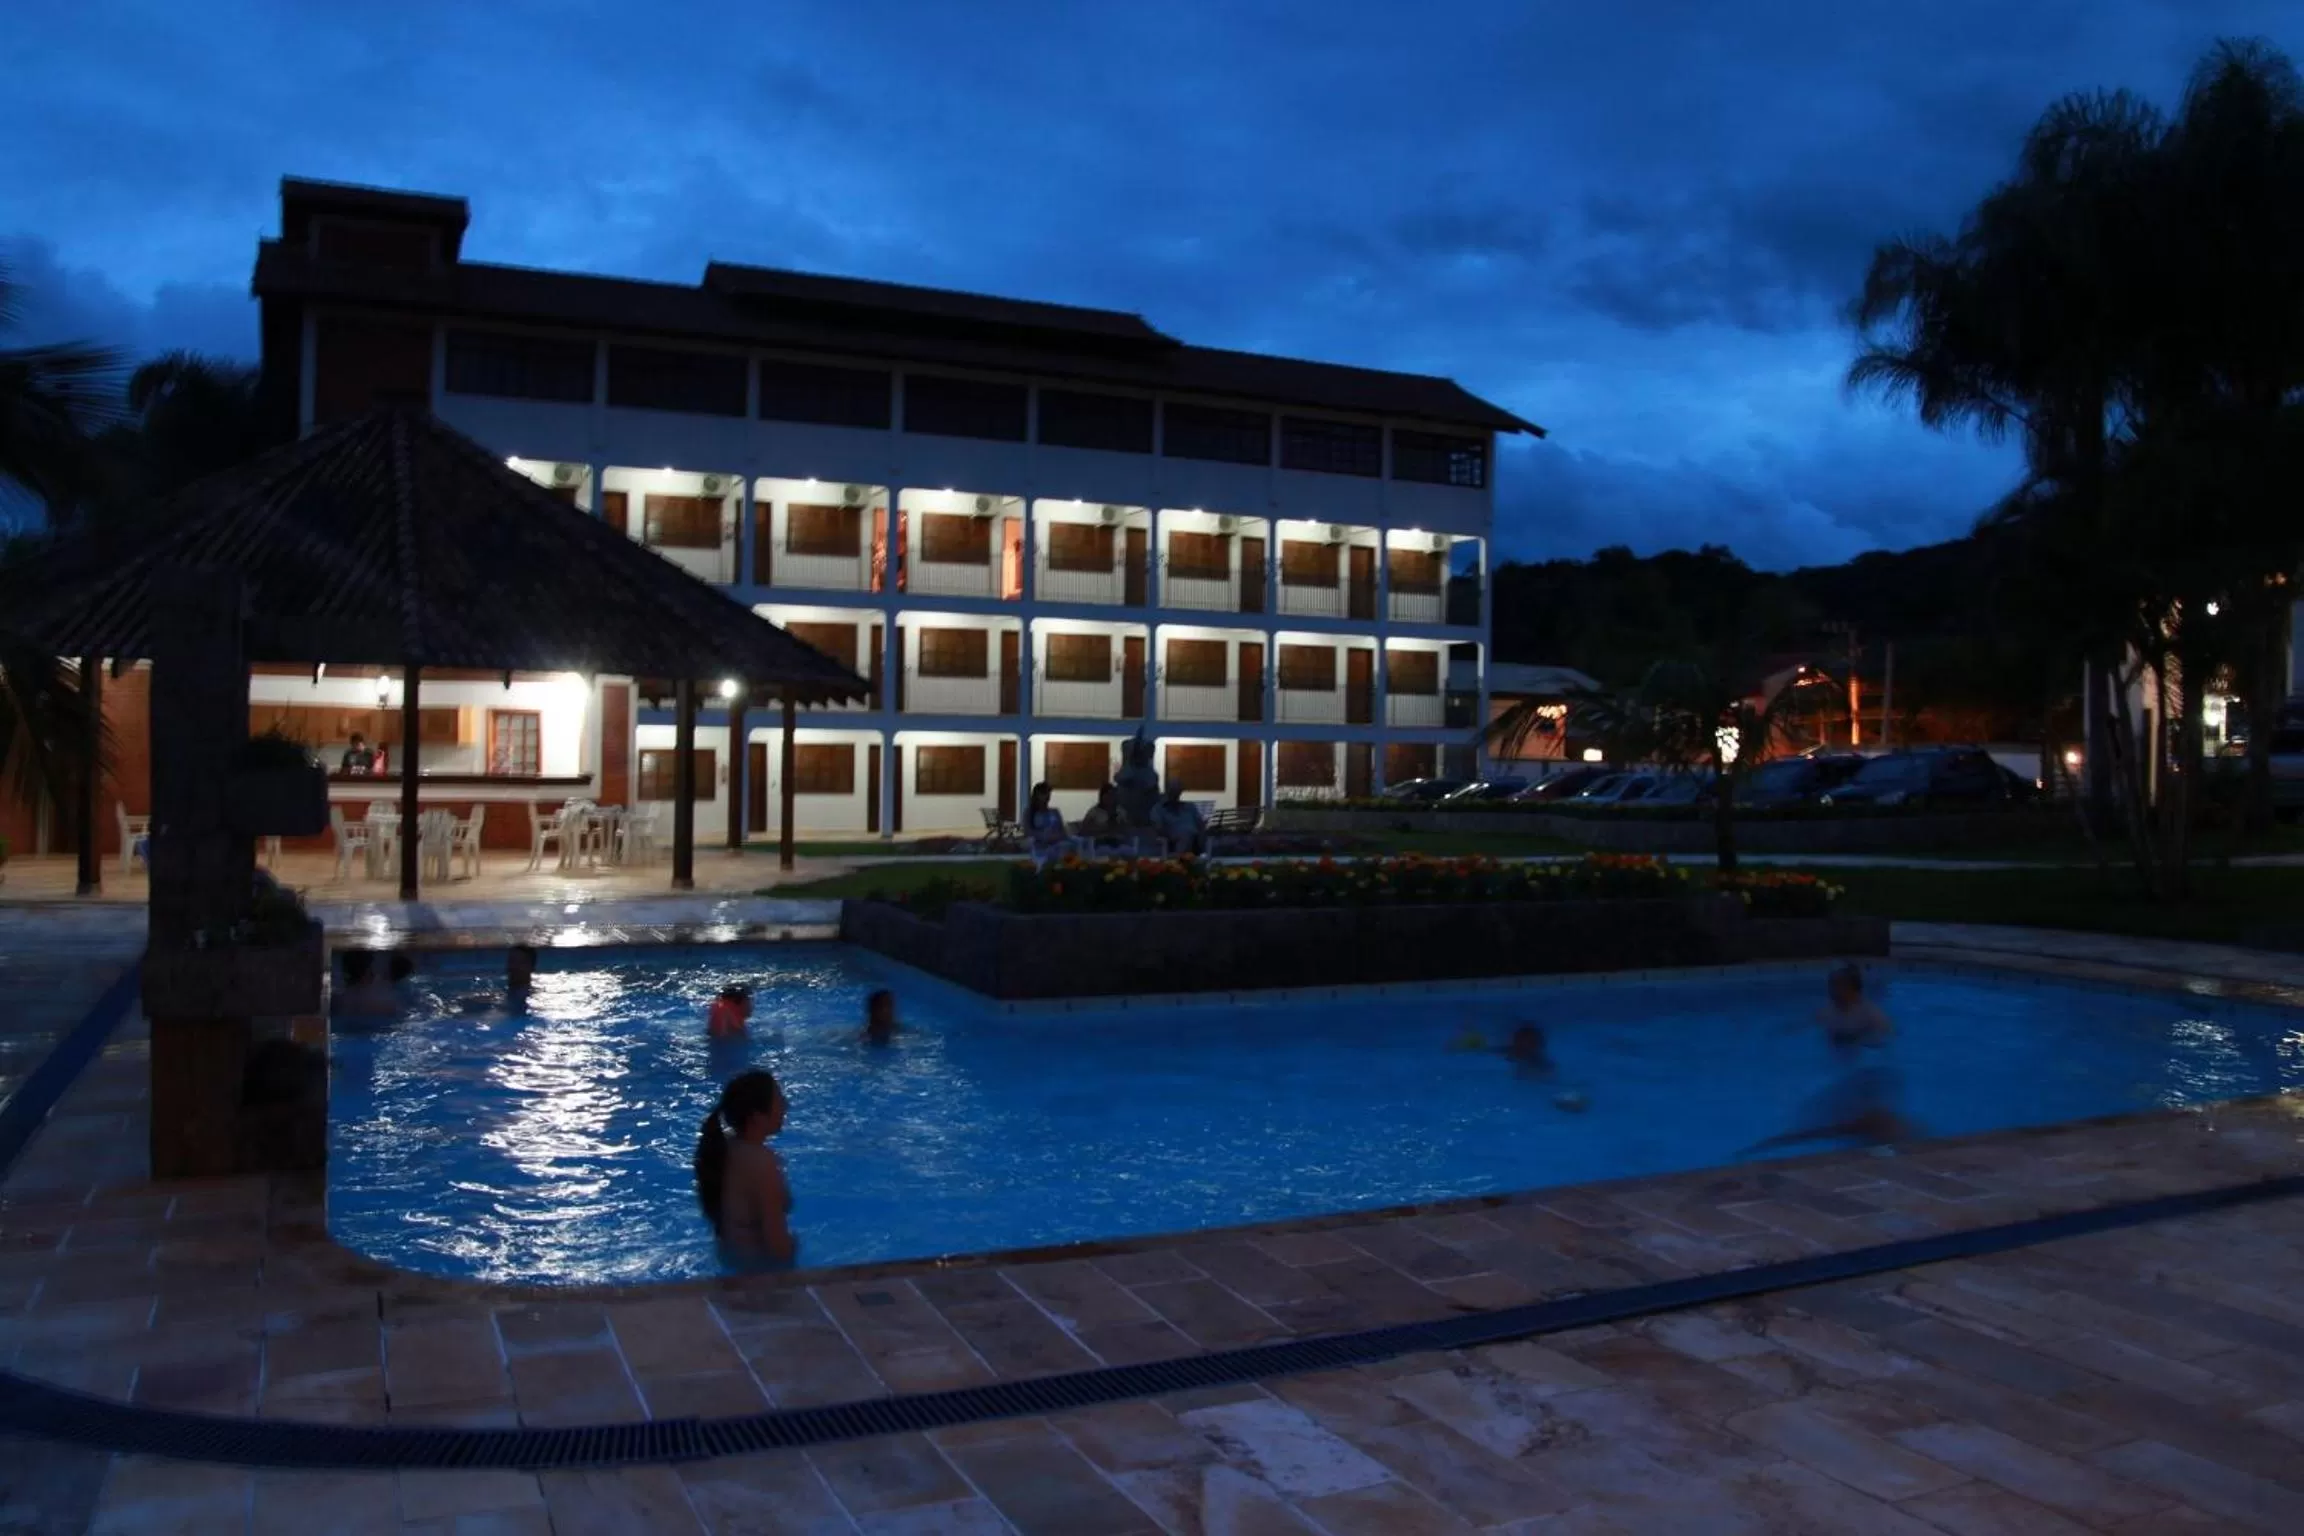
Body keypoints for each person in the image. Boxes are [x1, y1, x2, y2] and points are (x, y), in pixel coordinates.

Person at [1743, 965, 1913, 1155]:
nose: (1833, 991)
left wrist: (1864, 1042)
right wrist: (1780, 1034)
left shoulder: (1872, 1015)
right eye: (1832, 986)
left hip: (1862, 1072)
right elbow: (1803, 1027)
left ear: (1853, 989)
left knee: (1872, 1121)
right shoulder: (1828, 1013)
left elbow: (1887, 1043)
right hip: (1838, 1068)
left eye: (1838, 987)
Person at [693, 1070, 797, 1266]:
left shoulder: (724, 1148)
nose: (785, 1106)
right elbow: (777, 1246)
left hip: (730, 1261)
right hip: (759, 1274)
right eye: (779, 1100)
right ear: (757, 1116)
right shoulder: (763, 1163)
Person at [1151, 781, 1204, 856]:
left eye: (1178, 791)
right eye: (1173, 790)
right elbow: (1158, 827)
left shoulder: (1189, 806)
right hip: (1173, 837)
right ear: (1167, 791)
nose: (1176, 794)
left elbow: (1200, 823)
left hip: (1195, 837)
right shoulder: (1159, 809)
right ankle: (1180, 860)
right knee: (1186, 834)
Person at [1026, 781, 1072, 865]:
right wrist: (1044, 836)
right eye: (1044, 793)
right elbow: (1028, 831)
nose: (1047, 796)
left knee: (1072, 844)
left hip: (1057, 845)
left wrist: (1058, 836)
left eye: (1048, 793)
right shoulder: (1030, 813)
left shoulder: (1055, 812)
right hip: (1039, 848)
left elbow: (1063, 832)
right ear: (1037, 795)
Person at [506, 944, 537, 1008]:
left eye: (520, 962)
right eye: (512, 961)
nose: (514, 966)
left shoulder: (528, 996)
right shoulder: (510, 992)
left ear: (531, 967)